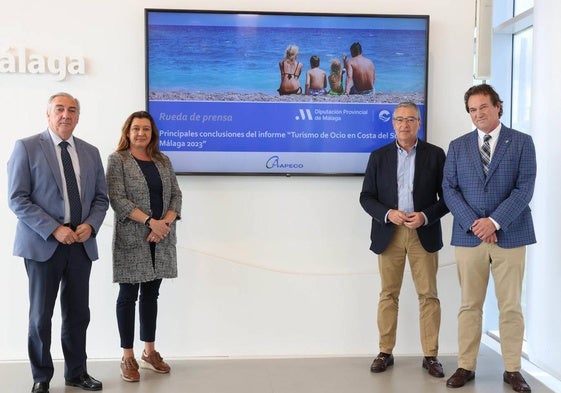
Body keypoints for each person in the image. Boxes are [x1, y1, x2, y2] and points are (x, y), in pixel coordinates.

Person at [7, 92, 109, 393]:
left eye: (72, 110)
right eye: (60, 109)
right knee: (40, 316)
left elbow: (101, 198)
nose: (66, 114)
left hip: (80, 244)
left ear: (78, 117)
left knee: (78, 314)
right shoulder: (26, 147)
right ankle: (41, 377)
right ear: (48, 114)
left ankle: (77, 373)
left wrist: (90, 225)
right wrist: (54, 229)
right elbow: (17, 199)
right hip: (43, 244)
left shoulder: (90, 152)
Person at [443, 84, 536, 392]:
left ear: (498, 106)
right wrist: (475, 223)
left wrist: (495, 221)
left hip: (511, 234)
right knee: (469, 305)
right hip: (469, 238)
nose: (478, 114)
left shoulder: (522, 142)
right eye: (472, 109)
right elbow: (450, 190)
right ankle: (466, 366)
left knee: (510, 306)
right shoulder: (457, 146)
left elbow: (524, 189)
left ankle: (512, 370)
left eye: (483, 107)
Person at [360, 102, 449, 378]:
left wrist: (425, 216)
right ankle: (385, 351)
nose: (404, 124)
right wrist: (388, 214)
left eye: (410, 119)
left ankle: (431, 356)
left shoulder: (436, 155)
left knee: (428, 296)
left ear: (419, 123)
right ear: (393, 123)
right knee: (388, 294)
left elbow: (447, 199)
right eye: (399, 119)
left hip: (423, 233)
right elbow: (366, 197)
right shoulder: (379, 156)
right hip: (390, 234)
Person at [106, 111, 182, 383]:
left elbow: (176, 195)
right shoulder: (118, 160)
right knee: (128, 296)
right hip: (132, 238)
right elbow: (118, 199)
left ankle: (149, 352)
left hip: (160, 239)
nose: (140, 133)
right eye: (136, 128)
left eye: (146, 129)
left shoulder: (163, 161)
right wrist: (151, 222)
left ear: (153, 134)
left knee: (152, 295)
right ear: (127, 132)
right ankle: (128, 356)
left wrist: (164, 225)